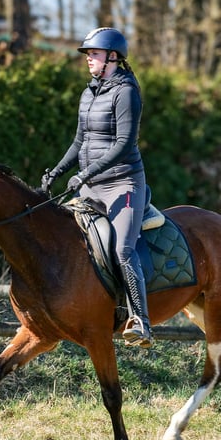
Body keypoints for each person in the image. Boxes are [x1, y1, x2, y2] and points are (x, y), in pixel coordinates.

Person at [41, 27, 152, 348]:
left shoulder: (126, 92)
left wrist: (85, 173)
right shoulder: (89, 92)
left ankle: (140, 321)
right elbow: (80, 141)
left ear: (112, 57)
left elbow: (123, 144)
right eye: (88, 54)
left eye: (94, 54)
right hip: (91, 185)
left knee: (123, 250)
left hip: (123, 184)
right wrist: (58, 171)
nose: (89, 59)